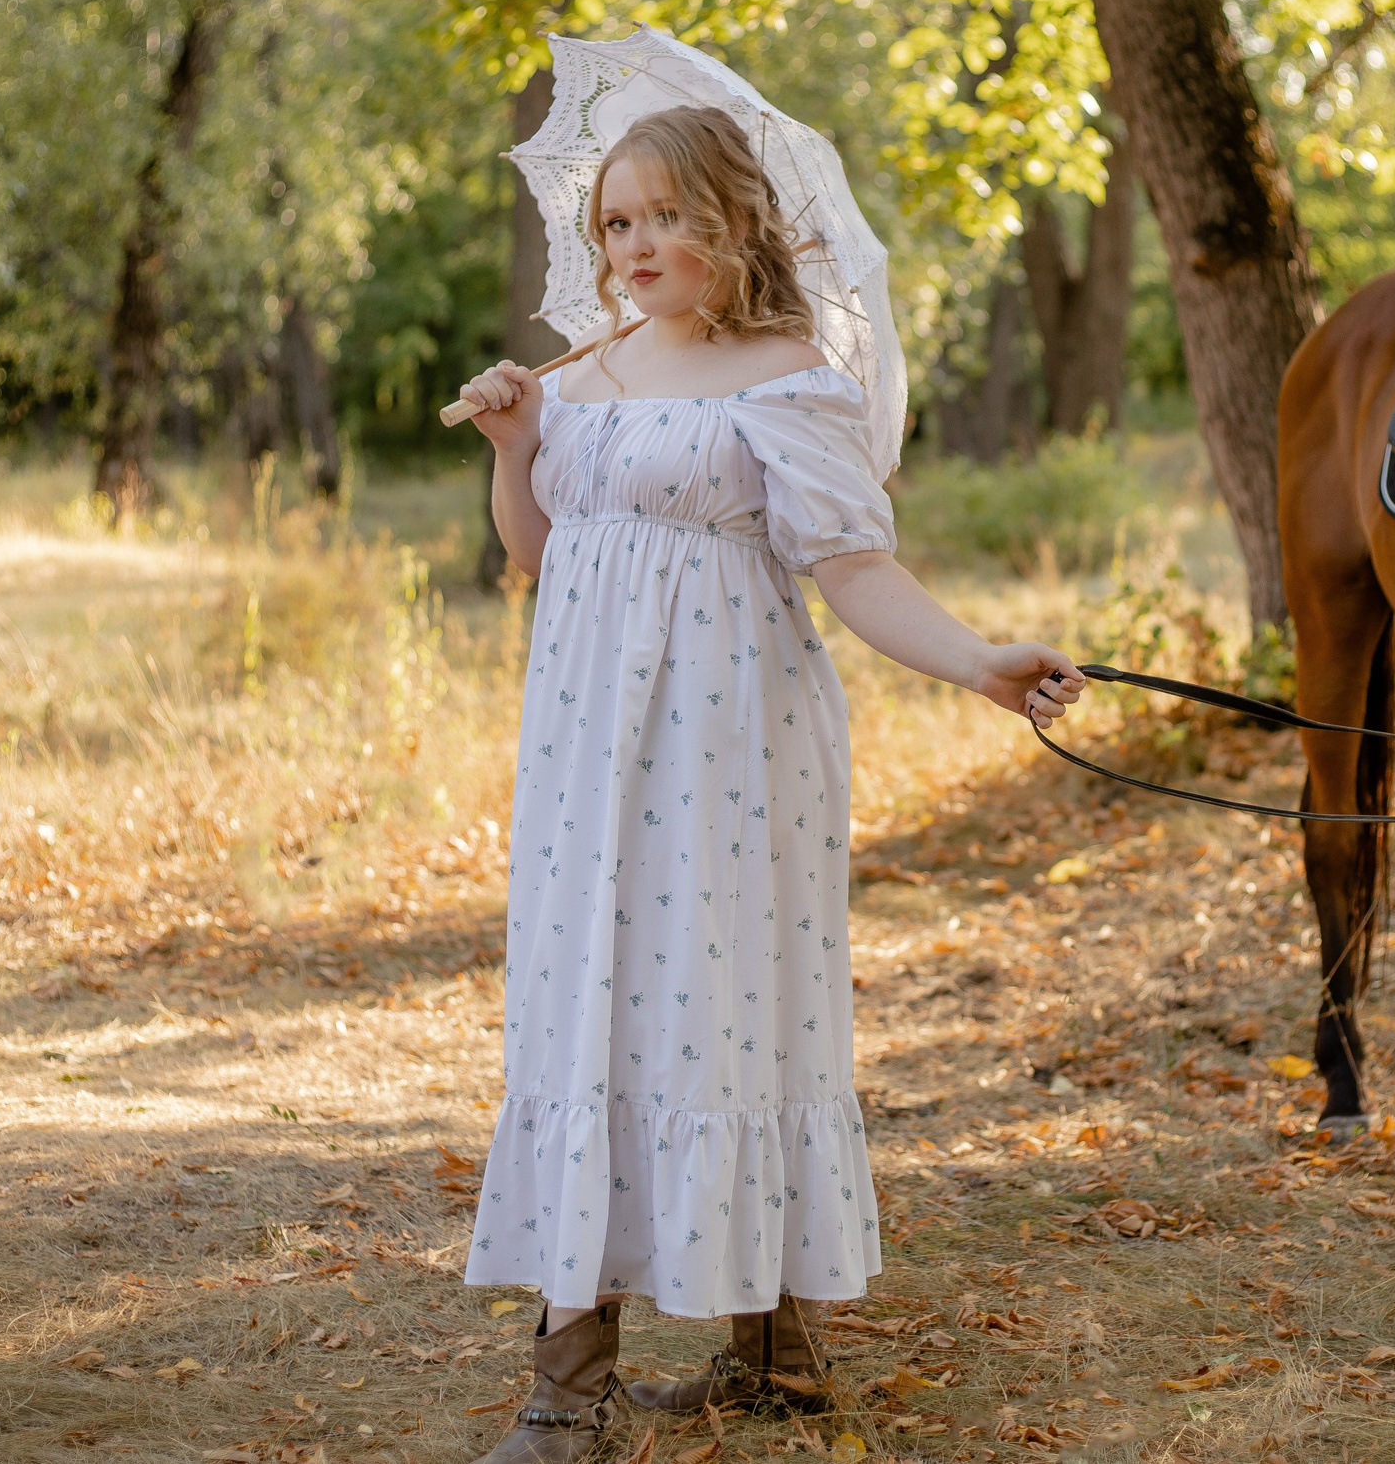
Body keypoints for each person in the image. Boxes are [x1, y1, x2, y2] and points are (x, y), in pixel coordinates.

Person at [452, 106, 1087, 1462]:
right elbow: (537, 556)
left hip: (730, 742)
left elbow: (854, 570)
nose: (634, 246)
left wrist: (978, 660)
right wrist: (515, 447)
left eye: (663, 218)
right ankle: (573, 1376)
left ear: (730, 224)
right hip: (584, 748)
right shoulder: (584, 376)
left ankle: (780, 1358)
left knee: (732, 1006)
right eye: (615, 223)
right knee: (590, 1012)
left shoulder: (790, 380)